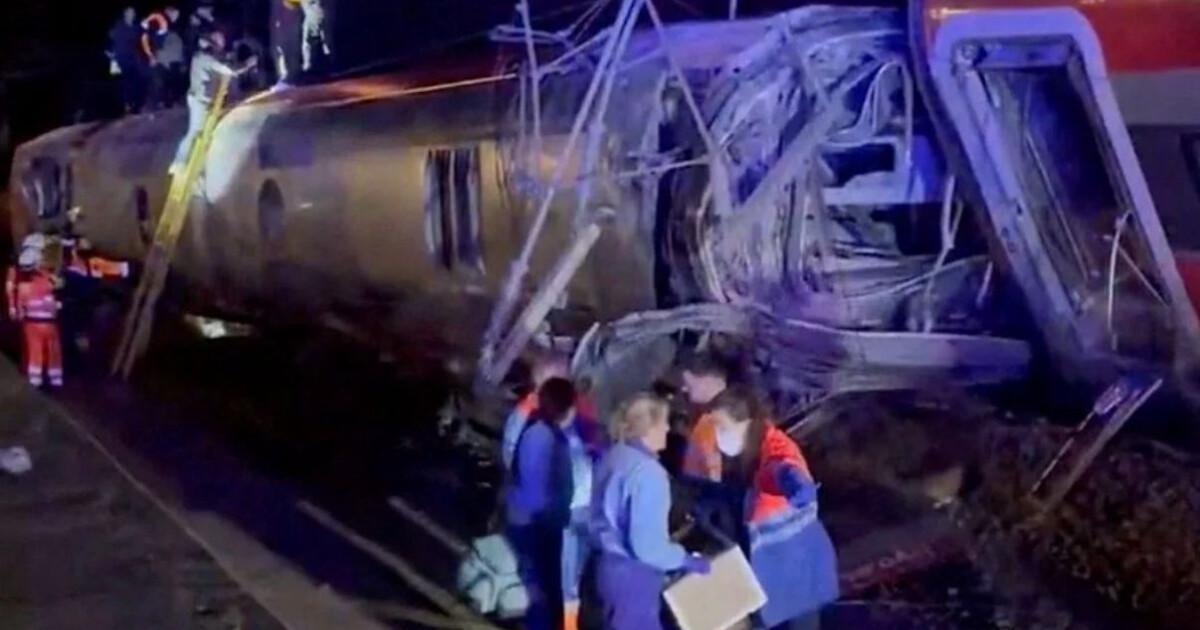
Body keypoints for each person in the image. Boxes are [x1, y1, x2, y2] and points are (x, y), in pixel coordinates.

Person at [699, 386, 839, 629]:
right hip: (778, 567)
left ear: (746, 422)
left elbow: (787, 474)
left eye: (722, 428)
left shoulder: (775, 456)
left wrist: (798, 489)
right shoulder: (756, 449)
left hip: (797, 567)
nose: (719, 435)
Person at [590, 393, 710, 630]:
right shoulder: (649, 475)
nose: (668, 427)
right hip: (633, 576)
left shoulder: (615, 455)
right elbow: (647, 547)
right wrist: (684, 559)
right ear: (648, 428)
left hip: (605, 567)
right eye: (663, 422)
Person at [507, 377, 577, 630]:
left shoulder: (542, 432)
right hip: (533, 526)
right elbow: (535, 491)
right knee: (540, 590)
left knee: (542, 588)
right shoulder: (543, 438)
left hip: (532, 523)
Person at [169, 31, 256, 176]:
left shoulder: (206, 57)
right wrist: (248, 64)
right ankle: (179, 162)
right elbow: (229, 70)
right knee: (195, 131)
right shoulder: (204, 58)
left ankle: (200, 163)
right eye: (218, 41)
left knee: (206, 132)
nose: (222, 44)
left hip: (205, 100)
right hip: (200, 101)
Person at [14, 249, 63, 388]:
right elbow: (53, 302)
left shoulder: (22, 286)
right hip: (49, 323)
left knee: (35, 352)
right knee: (53, 351)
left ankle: (35, 379)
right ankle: (56, 379)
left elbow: (20, 309)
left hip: (31, 324)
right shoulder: (47, 282)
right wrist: (59, 306)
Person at [107, 7, 146, 113]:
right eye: (129, 13)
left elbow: (140, 39)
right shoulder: (119, 26)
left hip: (134, 57)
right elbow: (111, 38)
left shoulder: (136, 26)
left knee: (137, 80)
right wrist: (111, 52)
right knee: (124, 81)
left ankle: (134, 104)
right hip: (121, 57)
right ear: (125, 14)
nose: (131, 15)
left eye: (133, 13)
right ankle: (126, 105)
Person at [298, 0, 331, 72]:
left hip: (316, 17)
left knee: (321, 38)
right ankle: (307, 63)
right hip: (313, 17)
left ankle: (326, 50)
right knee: (307, 43)